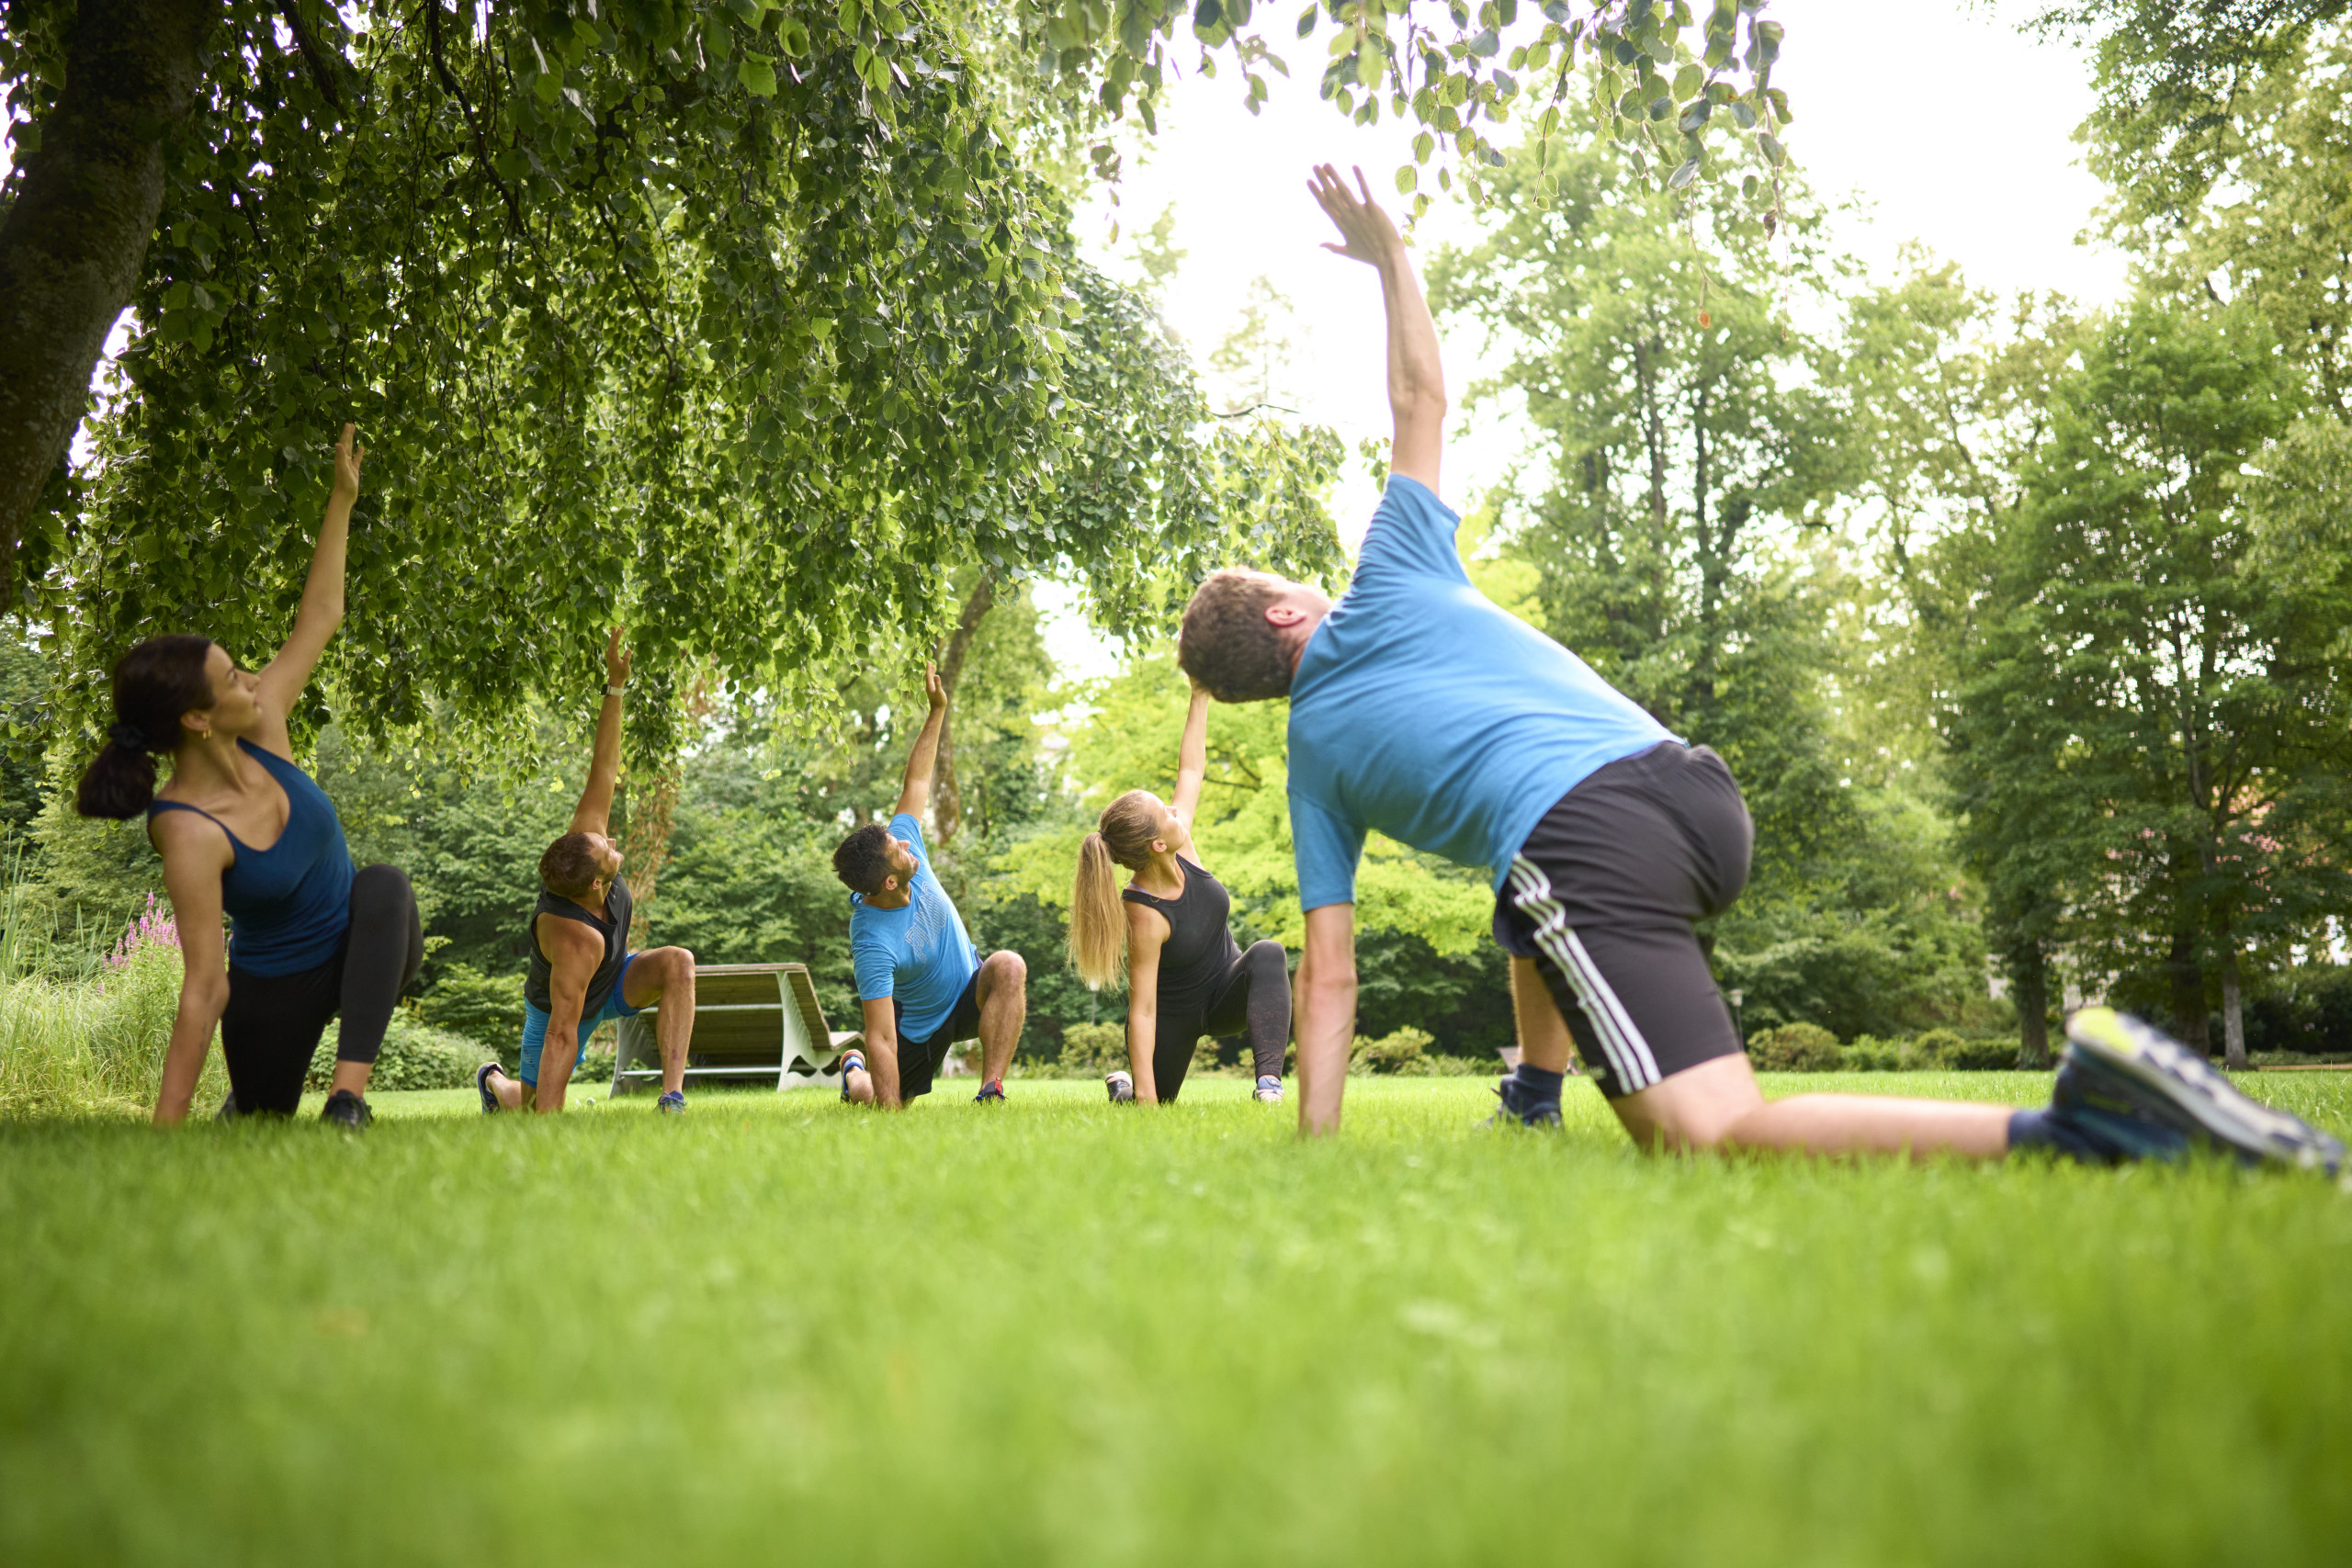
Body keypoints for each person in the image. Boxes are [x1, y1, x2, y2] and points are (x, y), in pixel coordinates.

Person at [1170, 164, 2344, 1178]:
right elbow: (1421, 395)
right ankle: (1535, 1093)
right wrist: (1393, 258)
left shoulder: (1314, 765)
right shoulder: (1393, 569)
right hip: (1693, 798)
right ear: (1287, 611)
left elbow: (1328, 979)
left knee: (1711, 1131)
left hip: (1589, 843)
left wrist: (1314, 1148)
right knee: (1523, 901)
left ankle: (2087, 1128)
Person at [76, 423, 421, 1129]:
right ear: (199, 721)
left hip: (361, 944)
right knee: (261, 1120)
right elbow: (204, 983)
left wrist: (342, 500)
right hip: (275, 989)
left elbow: (321, 615)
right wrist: (164, 1126)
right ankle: (245, 1100)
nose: (251, 680)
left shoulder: (262, 721)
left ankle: (347, 1103)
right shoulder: (185, 828)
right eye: (232, 677)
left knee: (384, 886)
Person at [479, 628, 698, 1115]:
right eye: (608, 852)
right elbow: (562, 1032)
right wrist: (550, 1119)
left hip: (616, 978)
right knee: (530, 1104)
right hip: (559, 1009)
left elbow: (604, 767)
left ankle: (672, 1097)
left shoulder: (580, 850)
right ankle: (494, 1082)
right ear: (596, 884)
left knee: (678, 961)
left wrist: (615, 686)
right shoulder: (576, 938)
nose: (611, 841)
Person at [1068, 682, 1288, 1106]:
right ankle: (1125, 1087)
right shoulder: (1143, 911)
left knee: (1268, 952)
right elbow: (1144, 1009)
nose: (1174, 810)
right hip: (1175, 1017)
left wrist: (1200, 695)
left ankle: (1269, 1086)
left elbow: (1190, 770)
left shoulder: (1179, 842)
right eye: (1164, 813)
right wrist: (1148, 1096)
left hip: (1227, 990)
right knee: (1153, 1100)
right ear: (1156, 845)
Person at [831, 663, 1027, 1109]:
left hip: (969, 988)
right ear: (889, 881)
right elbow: (881, 1032)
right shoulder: (871, 943)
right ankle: (851, 1070)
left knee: (1010, 965)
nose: (904, 841)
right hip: (920, 1028)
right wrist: (889, 1106)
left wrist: (936, 711)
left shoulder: (906, 846)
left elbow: (916, 780)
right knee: (879, 1100)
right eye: (896, 848)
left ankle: (990, 1091)